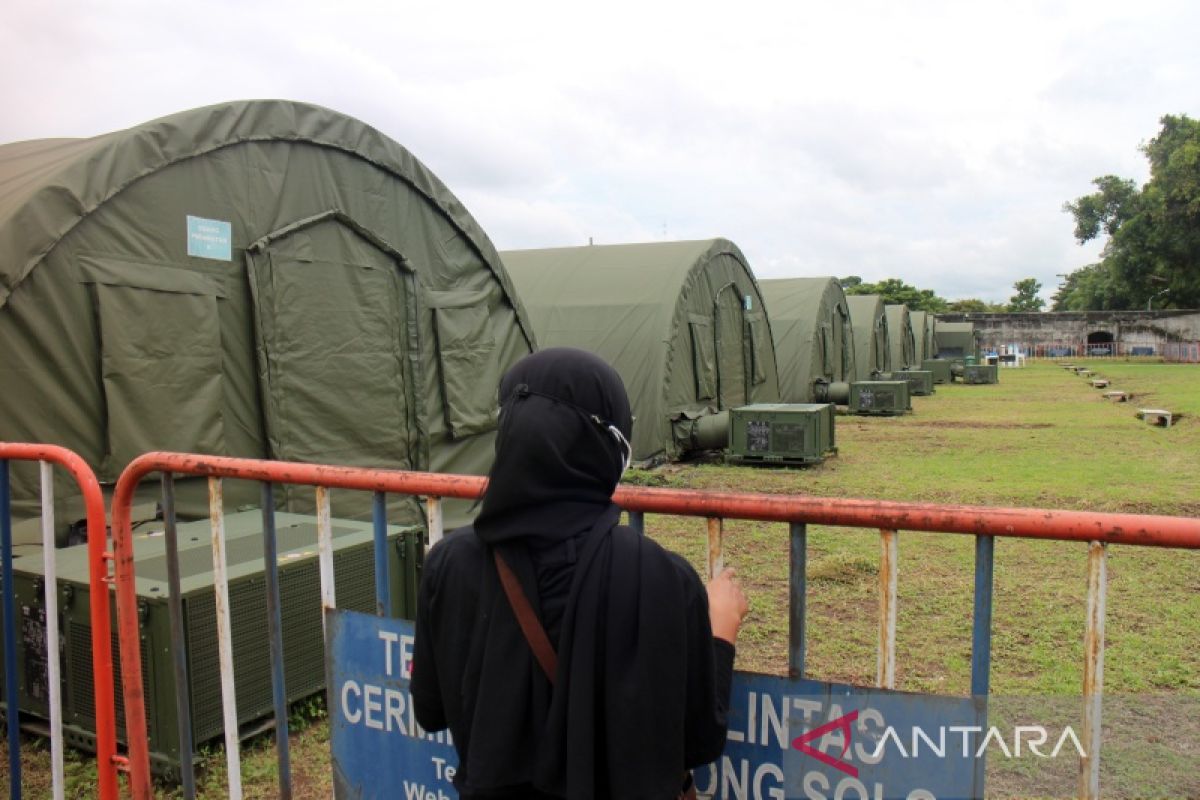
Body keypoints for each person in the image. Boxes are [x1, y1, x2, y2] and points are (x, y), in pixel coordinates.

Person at [412, 347, 749, 800]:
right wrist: (720, 632)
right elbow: (699, 740)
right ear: (607, 446)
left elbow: (431, 710)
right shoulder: (663, 578)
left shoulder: (448, 565)